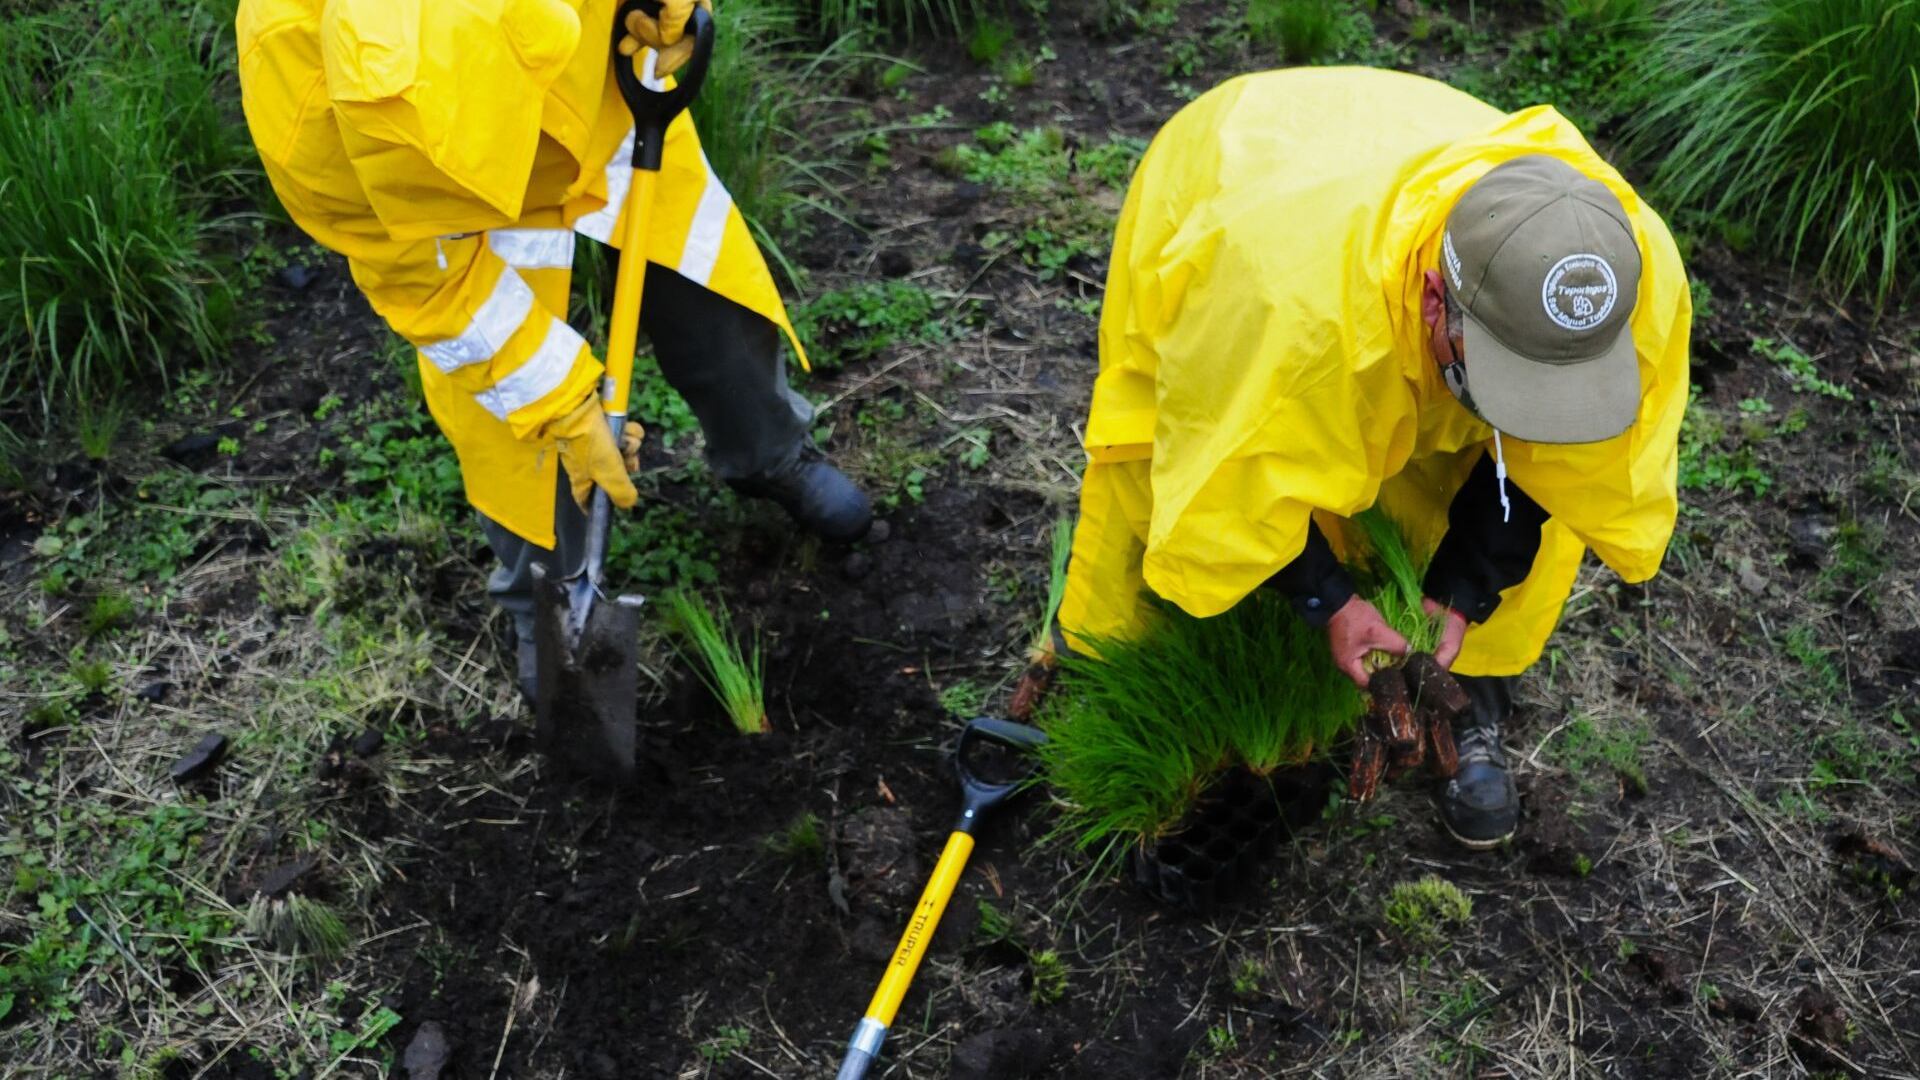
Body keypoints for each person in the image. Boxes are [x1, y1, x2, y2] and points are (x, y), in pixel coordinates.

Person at [1047, 68, 1691, 848]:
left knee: (1466, 468)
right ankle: (1113, 665)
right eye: (1509, 379)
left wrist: (1464, 590)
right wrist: (1327, 600)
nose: (1527, 415)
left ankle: (1469, 696)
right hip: (1240, 184)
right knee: (1184, 460)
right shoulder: (1292, 316)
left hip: (1399, 188)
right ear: (1433, 299)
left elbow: (1566, 466)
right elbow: (1235, 472)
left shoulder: (1622, 282)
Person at [235, 0, 871, 701]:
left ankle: (770, 451)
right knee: (511, 420)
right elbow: (426, 286)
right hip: (454, 218)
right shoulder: (296, 83)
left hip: (598, 99)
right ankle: (545, 598)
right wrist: (560, 402)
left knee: (701, 281)